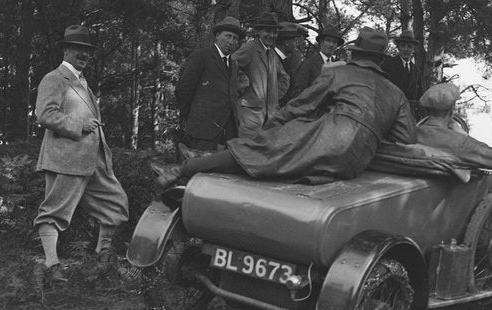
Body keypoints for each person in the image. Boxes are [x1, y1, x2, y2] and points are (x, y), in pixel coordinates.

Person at [153, 27, 416, 187]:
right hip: (352, 164)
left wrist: (272, 129)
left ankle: (180, 169)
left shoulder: (339, 74)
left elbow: (298, 106)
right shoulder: (396, 94)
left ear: (356, 54)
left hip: (323, 143)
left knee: (256, 149)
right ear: (380, 60)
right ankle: (197, 162)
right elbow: (407, 139)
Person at [33, 24, 129, 288]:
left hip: (93, 160)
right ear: (65, 50)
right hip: (66, 158)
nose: (83, 54)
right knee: (54, 213)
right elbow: (45, 115)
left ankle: (101, 261)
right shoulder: (54, 78)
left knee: (116, 205)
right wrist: (79, 126)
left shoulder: (83, 82)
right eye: (77, 49)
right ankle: (52, 266)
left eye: (87, 50)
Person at [175, 16, 243, 155]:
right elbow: (184, 90)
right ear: (217, 36)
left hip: (228, 134)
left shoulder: (234, 64)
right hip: (202, 132)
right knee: (199, 171)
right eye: (228, 36)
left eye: (235, 38)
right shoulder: (202, 56)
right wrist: (193, 118)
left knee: (222, 174)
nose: (231, 41)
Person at [415, 83, 492, 169]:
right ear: (452, 111)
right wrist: (464, 135)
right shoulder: (459, 142)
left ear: (426, 111)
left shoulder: (409, 135)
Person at [232, 13, 290, 138]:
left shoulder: (272, 53)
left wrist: (273, 95)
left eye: (275, 32)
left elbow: (285, 78)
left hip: (271, 117)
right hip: (250, 115)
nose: (272, 35)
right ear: (258, 31)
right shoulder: (250, 48)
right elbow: (231, 65)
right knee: (247, 152)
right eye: (268, 31)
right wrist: (243, 83)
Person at [287, 25, 343, 99]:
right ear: (321, 42)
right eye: (328, 40)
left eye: (334, 42)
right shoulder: (308, 63)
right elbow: (298, 92)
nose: (331, 45)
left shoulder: (338, 66)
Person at [382, 29, 423, 107]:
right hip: (390, 112)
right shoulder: (387, 65)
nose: (406, 49)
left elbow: (419, 97)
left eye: (410, 46)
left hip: (409, 115)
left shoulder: (417, 72)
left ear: (413, 49)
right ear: (398, 47)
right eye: (403, 45)